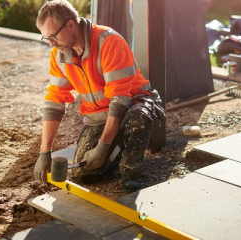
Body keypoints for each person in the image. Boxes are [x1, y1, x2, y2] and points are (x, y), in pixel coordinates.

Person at [33, 0, 165, 193]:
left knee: (137, 119)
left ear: (70, 25)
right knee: (84, 173)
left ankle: (131, 170)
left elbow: (120, 101)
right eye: (46, 38)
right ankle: (119, 141)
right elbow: (54, 102)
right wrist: (45, 152)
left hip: (134, 102)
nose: (51, 43)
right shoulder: (59, 55)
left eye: (53, 36)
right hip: (101, 114)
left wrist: (103, 147)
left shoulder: (109, 42)